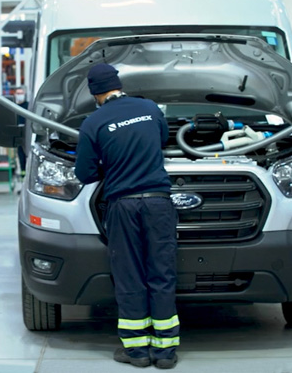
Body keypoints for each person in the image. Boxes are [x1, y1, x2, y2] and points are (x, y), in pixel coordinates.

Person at [74, 64, 180, 369]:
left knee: (130, 274)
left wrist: (110, 164)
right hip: (159, 204)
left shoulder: (93, 122)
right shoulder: (150, 108)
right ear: (118, 84)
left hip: (124, 205)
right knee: (162, 272)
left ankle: (136, 352)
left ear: (95, 93)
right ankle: (165, 352)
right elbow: (162, 139)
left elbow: (85, 173)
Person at [14, 88, 29, 178]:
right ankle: (23, 177)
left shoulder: (29, 106)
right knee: (21, 157)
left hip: (28, 135)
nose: (20, 95)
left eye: (21, 93)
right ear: (15, 95)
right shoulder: (13, 106)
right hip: (19, 136)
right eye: (18, 93)